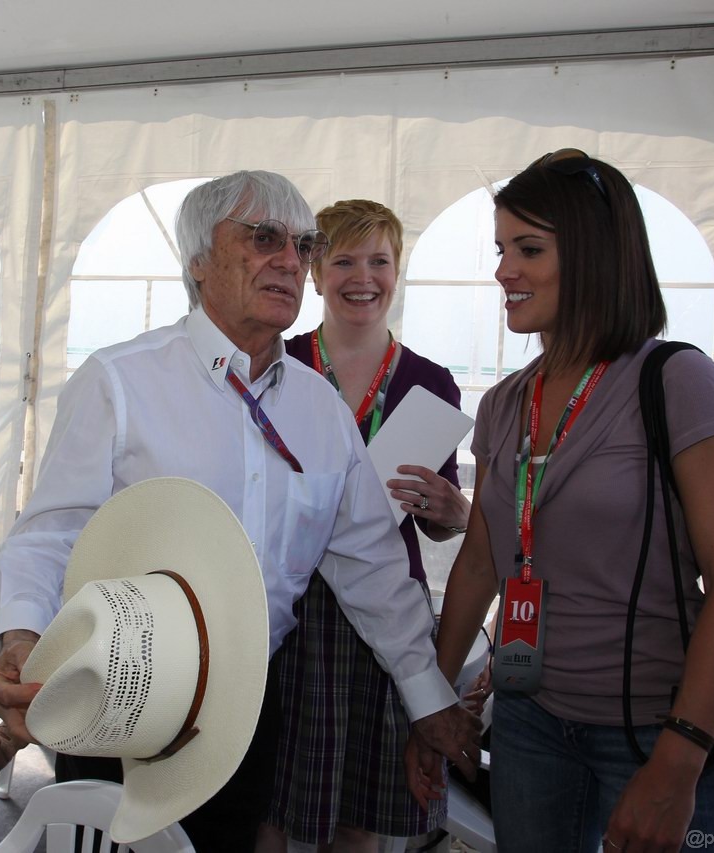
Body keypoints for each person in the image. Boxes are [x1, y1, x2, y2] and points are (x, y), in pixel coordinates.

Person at [0, 171, 481, 853]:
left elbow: (374, 570)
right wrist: (20, 636)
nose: (290, 260)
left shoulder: (320, 411)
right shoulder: (121, 381)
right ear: (197, 261)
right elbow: (50, 534)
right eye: (263, 237)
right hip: (119, 693)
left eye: (302, 246)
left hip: (248, 712)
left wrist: (429, 700)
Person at [413, 150, 714, 853]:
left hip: (654, 731)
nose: (504, 270)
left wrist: (679, 760)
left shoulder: (681, 382)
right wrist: (433, 706)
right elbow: (481, 564)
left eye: (529, 249)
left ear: (598, 255)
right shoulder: (508, 402)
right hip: (528, 724)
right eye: (502, 249)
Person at [262, 199, 470, 852]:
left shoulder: (429, 381)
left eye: (379, 260)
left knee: (361, 814)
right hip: (289, 608)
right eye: (344, 259)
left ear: (396, 270)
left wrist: (451, 510)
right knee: (271, 805)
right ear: (315, 271)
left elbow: (444, 524)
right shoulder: (275, 363)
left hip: (386, 616)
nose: (363, 276)